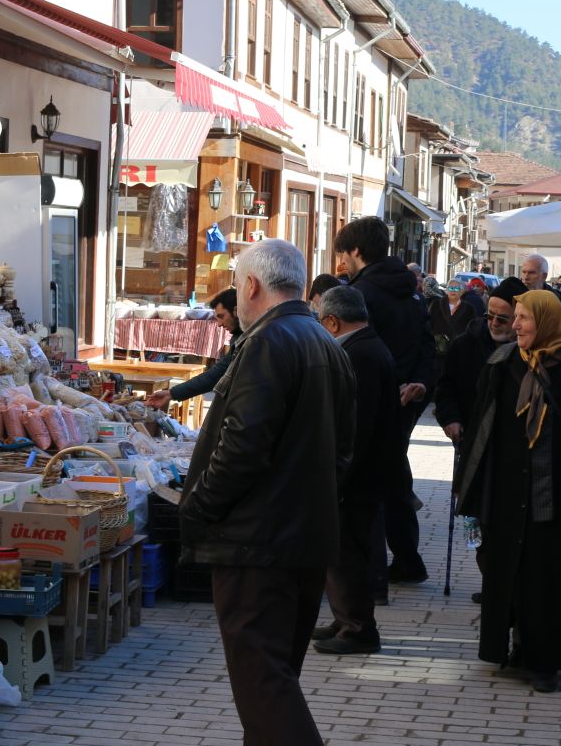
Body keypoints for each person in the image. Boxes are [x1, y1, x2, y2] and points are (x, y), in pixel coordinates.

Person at [179, 239, 356, 745]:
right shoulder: (324, 341)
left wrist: (197, 509)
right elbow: (344, 452)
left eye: (236, 285)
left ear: (251, 285)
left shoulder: (268, 343)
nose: (237, 293)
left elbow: (241, 448)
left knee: (265, 685)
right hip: (300, 539)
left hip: (257, 543)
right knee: (273, 680)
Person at [455, 290, 561, 693]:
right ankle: (512, 648)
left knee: (548, 579)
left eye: (524, 319)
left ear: (546, 321)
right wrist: (471, 487)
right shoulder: (502, 364)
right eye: (516, 318)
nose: (515, 326)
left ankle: (544, 661)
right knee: (506, 573)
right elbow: (483, 428)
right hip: (507, 490)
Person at [334, 216, 435, 585]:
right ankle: (408, 560)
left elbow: (358, 351)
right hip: (406, 399)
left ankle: (370, 578)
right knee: (395, 477)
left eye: (343, 253)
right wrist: (420, 383)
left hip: (370, 399)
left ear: (357, 251)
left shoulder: (359, 295)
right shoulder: (412, 292)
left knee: (365, 486)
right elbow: (428, 345)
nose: (341, 261)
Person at [310, 287, 399, 656]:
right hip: (362, 470)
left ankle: (358, 628)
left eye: (321, 321)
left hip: (358, 474)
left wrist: (339, 476)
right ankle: (345, 617)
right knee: (342, 548)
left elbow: (356, 427)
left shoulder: (359, 352)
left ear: (333, 321)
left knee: (348, 550)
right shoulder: (364, 346)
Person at [434, 276, 527, 448]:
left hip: (512, 446)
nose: (494, 323)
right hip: (470, 438)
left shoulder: (529, 351)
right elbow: (445, 387)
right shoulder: (464, 345)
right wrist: (450, 419)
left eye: (502, 319)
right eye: (490, 316)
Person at [146, 289, 240, 410]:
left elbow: (218, 374)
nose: (219, 324)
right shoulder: (240, 338)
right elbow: (217, 374)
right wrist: (171, 394)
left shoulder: (252, 338)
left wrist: (172, 393)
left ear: (236, 311)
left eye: (222, 316)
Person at [430, 280, 477, 359]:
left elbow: (472, 330)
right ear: (446, 290)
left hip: (459, 351)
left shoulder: (469, 309)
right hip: (437, 349)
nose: (453, 291)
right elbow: (428, 325)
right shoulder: (436, 305)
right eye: (451, 288)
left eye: (456, 289)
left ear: (461, 291)